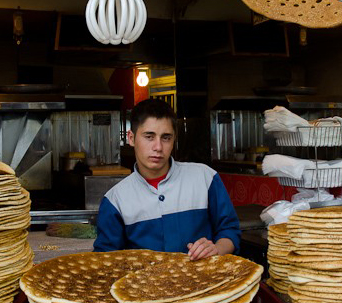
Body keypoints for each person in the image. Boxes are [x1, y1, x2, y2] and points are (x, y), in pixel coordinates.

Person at [93, 99, 240, 260]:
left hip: (205, 283)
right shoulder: (115, 200)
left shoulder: (205, 178)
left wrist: (216, 249)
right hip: (142, 285)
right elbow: (105, 260)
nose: (158, 147)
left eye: (166, 138)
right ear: (131, 138)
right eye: (149, 137)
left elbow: (230, 230)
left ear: (174, 139)